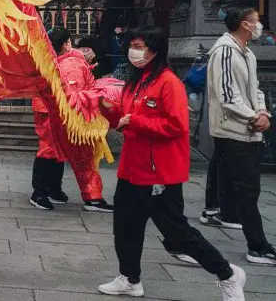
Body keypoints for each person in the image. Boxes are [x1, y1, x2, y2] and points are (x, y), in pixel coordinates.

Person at [98, 27, 246, 299]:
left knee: (177, 234)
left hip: (158, 172)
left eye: (139, 45)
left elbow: (177, 125)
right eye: (132, 45)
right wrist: (106, 109)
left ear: (154, 50)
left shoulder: (169, 83)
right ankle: (130, 278)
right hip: (132, 168)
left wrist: (136, 121)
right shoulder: (137, 81)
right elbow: (126, 117)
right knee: (125, 227)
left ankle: (227, 274)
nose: (134, 50)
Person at [201, 7, 274, 265]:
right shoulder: (224, 52)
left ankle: (223, 213)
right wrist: (253, 117)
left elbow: (254, 89)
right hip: (233, 129)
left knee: (241, 184)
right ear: (244, 24)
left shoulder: (248, 54)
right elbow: (227, 95)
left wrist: (263, 112)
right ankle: (258, 245)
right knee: (248, 188)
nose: (259, 26)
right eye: (256, 21)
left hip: (248, 128)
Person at [29, 28, 113, 213]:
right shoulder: (71, 62)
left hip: (55, 109)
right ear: (66, 43)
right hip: (61, 111)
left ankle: (51, 190)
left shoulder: (53, 59)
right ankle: (43, 192)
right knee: (54, 151)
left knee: (54, 150)